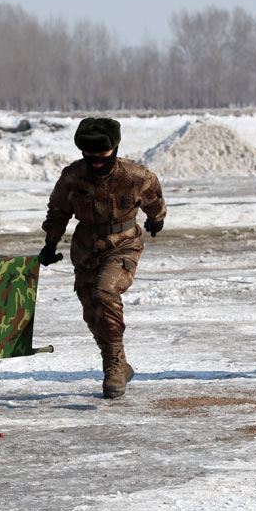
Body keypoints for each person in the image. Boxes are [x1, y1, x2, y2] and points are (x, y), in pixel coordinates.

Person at [39, 117, 167, 399]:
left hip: (124, 243)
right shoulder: (72, 177)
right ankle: (119, 362)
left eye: (102, 157)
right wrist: (50, 243)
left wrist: (156, 220)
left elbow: (155, 200)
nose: (96, 163)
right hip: (86, 247)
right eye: (89, 157)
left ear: (115, 148)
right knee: (91, 311)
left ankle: (111, 367)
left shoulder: (136, 176)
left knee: (105, 293)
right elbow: (58, 211)